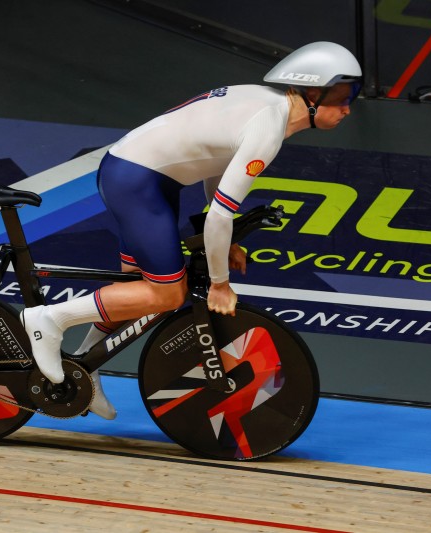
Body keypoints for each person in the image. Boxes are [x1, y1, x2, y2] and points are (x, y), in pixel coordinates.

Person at [22, 42, 362, 419]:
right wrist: (219, 282)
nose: (349, 107)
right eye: (344, 96)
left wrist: (227, 240)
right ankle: (50, 319)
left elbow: (216, 171)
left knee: (133, 291)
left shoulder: (266, 104)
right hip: (137, 181)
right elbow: (218, 214)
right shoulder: (268, 128)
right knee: (168, 293)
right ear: (312, 94)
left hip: (146, 176)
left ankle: (87, 367)